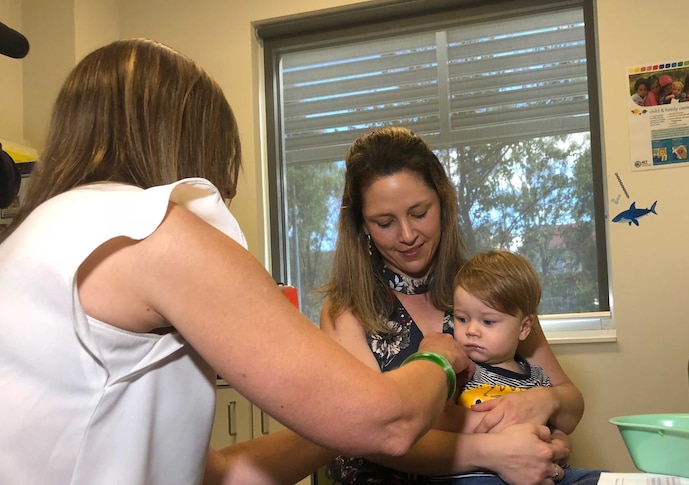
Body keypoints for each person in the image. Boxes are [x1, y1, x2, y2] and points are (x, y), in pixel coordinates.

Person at [0, 38, 474, 485]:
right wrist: (440, 356)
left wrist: (336, 421)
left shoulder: (33, 237)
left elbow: (217, 475)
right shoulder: (153, 231)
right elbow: (390, 422)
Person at [319, 126, 597, 485]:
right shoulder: (347, 312)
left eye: (419, 212)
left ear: (444, 203)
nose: (407, 235)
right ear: (362, 227)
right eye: (385, 222)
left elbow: (571, 406)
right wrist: (498, 453)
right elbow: (373, 435)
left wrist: (544, 404)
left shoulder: (490, 287)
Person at [431, 250, 603, 485]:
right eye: (462, 319)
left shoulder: (537, 378)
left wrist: (560, 444)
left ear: (524, 328)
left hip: (537, 472)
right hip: (477, 474)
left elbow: (556, 429)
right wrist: (496, 427)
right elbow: (438, 417)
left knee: (601, 478)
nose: (471, 330)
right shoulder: (461, 369)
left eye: (488, 321)